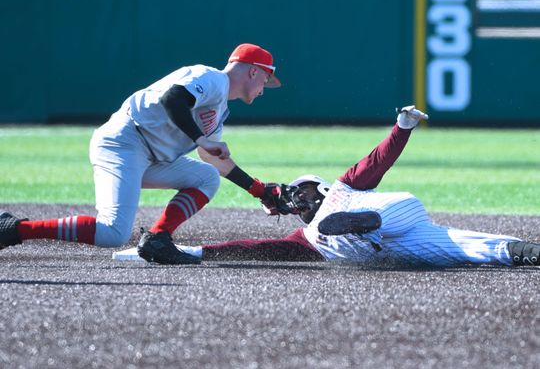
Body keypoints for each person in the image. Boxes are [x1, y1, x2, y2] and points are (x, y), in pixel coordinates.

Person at [116, 105, 540, 268]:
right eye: (295, 197)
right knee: (469, 247)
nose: (298, 198)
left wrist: (402, 126)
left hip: (392, 214)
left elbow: (378, 159)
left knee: (381, 211)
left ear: (317, 188)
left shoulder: (342, 186)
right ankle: (522, 252)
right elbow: (251, 249)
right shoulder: (307, 237)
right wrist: (186, 252)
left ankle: (365, 220)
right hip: (401, 246)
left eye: (302, 190)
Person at [0, 43, 289, 264]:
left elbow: (213, 158)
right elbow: (172, 99)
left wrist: (259, 190)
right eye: (266, 80)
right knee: (112, 232)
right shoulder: (210, 78)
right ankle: (14, 229)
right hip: (123, 143)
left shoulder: (220, 108)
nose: (265, 88)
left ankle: (157, 239)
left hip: (150, 157)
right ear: (253, 70)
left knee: (207, 177)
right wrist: (201, 137)